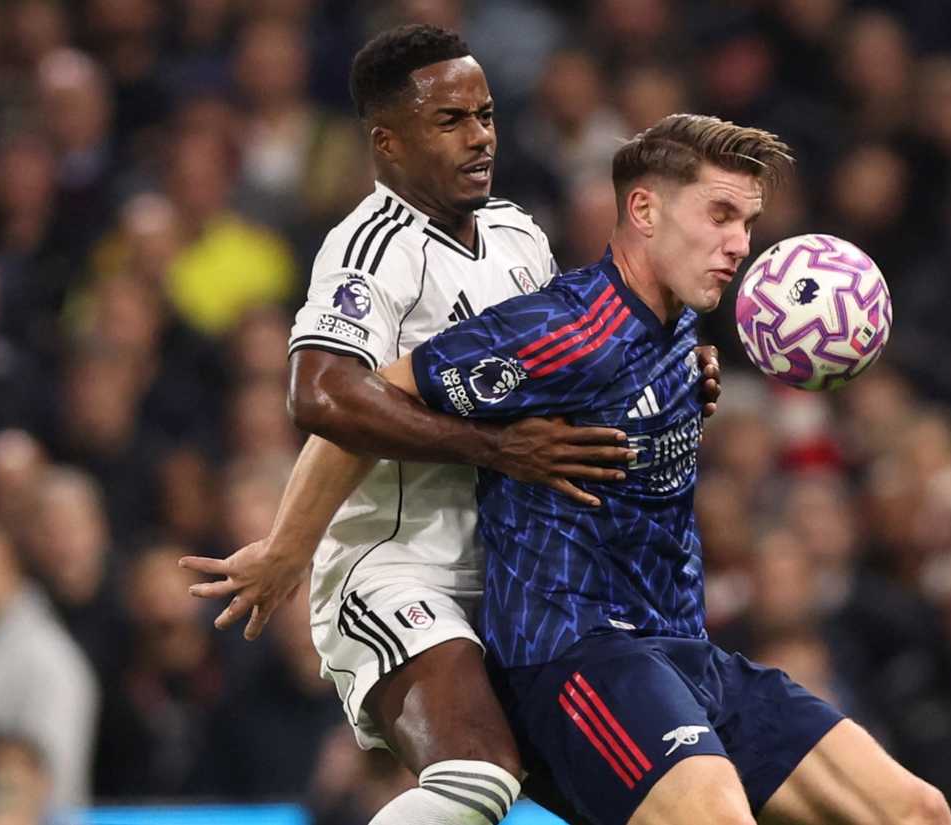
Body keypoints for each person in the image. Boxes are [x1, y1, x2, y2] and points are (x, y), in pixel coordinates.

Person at [182, 24, 719, 825]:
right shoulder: (370, 248)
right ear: (387, 141)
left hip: (515, 576)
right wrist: (494, 449)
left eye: (487, 114)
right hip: (391, 566)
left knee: (652, 795)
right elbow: (321, 396)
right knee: (476, 775)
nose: (480, 137)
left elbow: (573, 367)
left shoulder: (516, 234)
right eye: (451, 121)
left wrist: (670, 372)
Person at [374, 114, 951, 825]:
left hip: (685, 651)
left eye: (748, 221)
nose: (740, 244)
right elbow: (369, 398)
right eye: (720, 214)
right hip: (575, 658)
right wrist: (494, 448)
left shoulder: (680, 324)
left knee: (916, 810)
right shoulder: (558, 328)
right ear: (644, 209)